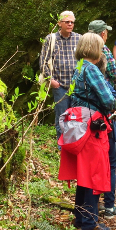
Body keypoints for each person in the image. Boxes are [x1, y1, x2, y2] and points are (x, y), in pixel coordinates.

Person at [66, 32, 116, 230]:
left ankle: (80, 217)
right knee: (93, 174)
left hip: (78, 123)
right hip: (92, 126)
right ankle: (90, 223)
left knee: (83, 173)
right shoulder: (92, 70)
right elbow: (108, 101)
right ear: (96, 49)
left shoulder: (78, 67)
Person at [88, 20, 116, 217]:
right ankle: (110, 205)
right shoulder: (104, 51)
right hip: (106, 116)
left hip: (89, 118)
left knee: (93, 162)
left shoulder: (84, 58)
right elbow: (114, 73)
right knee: (110, 161)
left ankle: (93, 205)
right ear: (103, 34)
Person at [38, 11, 81, 141]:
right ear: (59, 23)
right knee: (62, 117)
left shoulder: (79, 38)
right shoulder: (51, 39)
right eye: (67, 22)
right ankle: (61, 145)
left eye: (72, 22)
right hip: (60, 85)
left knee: (75, 116)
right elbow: (43, 61)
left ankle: (74, 143)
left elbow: (84, 60)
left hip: (76, 86)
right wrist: (51, 80)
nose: (70, 24)